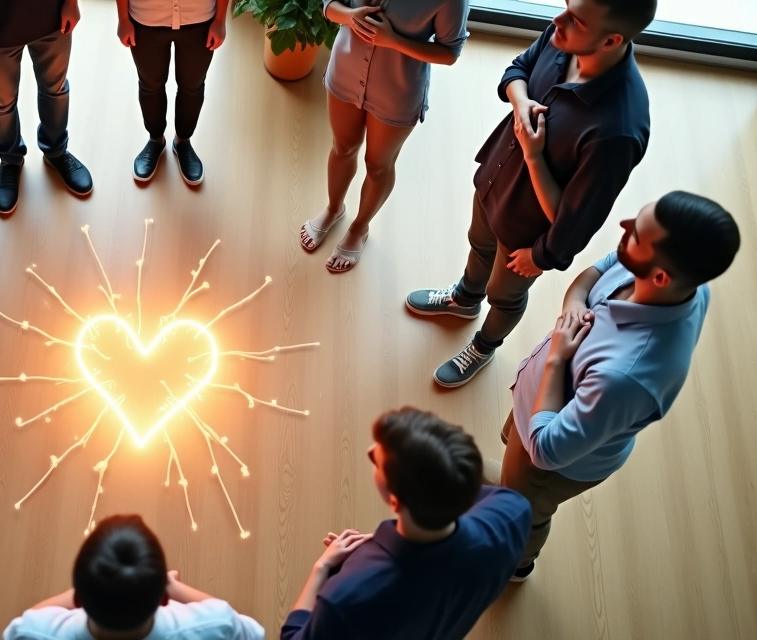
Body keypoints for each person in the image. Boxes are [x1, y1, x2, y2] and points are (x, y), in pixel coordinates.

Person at [404, 0, 656, 387]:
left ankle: (484, 345)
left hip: (529, 231)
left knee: (506, 296)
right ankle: (465, 299)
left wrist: (542, 256)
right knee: (479, 244)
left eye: (575, 17)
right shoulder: (566, 36)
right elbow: (516, 70)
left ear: (612, 40)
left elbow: (576, 219)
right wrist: (521, 103)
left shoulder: (618, 131)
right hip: (496, 180)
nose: (558, 20)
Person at [502, 192, 741, 581]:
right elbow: (599, 270)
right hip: (542, 405)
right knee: (512, 462)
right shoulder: (685, 284)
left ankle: (514, 565)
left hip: (553, 458)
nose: (624, 226)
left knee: (522, 513)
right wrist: (574, 304)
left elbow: (546, 451)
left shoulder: (627, 376)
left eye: (636, 234)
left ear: (660, 277)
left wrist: (558, 358)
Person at [281, 408, 531, 640]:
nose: (370, 451)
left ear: (395, 501)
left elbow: (293, 636)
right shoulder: (512, 512)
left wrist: (322, 567)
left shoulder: (347, 597)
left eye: (377, 461)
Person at [300, 0, 469, 272]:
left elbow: (449, 52)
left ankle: (359, 228)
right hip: (345, 71)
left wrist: (392, 41)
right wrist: (350, 16)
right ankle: (333, 209)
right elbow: (328, 5)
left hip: (397, 91)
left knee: (378, 165)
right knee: (342, 147)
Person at [3, 514, 264, 639]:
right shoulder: (211, 627)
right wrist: (174, 586)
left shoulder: (37, 634)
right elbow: (246, 628)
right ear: (164, 598)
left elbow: (24, 621)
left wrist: (77, 592)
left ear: (79, 599)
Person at [0, 0, 93, 216]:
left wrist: (71, 2)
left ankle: (56, 150)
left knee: (56, 89)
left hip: (53, 15)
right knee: (1, 103)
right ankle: (10, 159)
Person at [116, 0, 229, 186]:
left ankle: (183, 141)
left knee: (192, 86)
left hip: (200, 18)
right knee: (150, 86)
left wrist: (220, 20)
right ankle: (155, 139)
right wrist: (123, 18)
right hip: (145, 18)